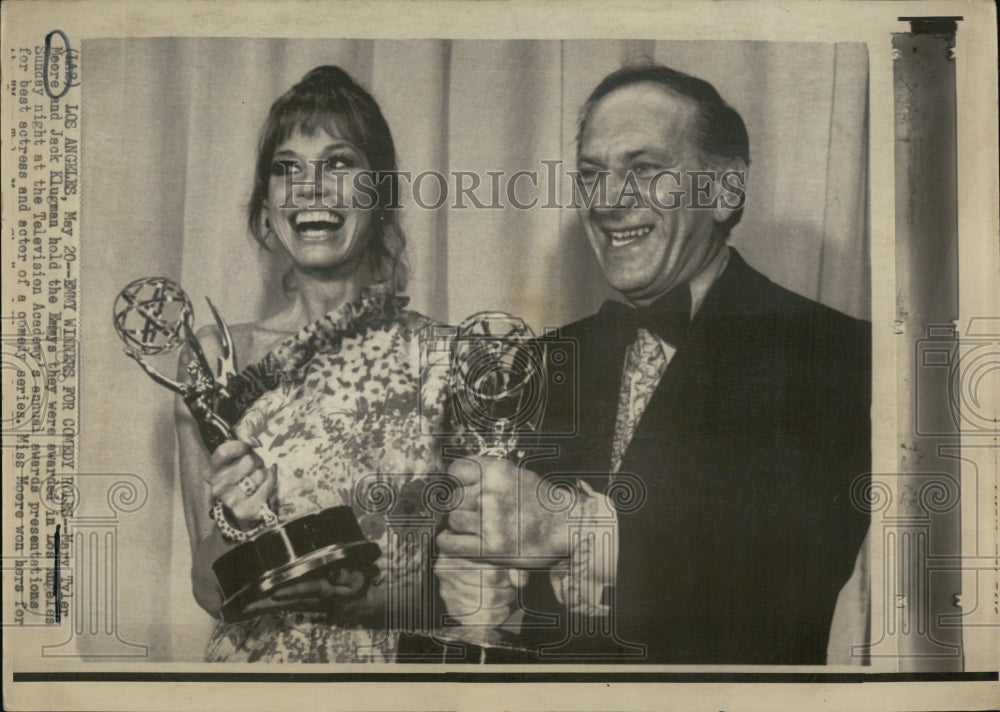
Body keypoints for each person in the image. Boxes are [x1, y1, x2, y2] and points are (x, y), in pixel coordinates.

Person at [435, 63, 871, 665]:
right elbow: (488, 599)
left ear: (725, 191)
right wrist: (471, 576)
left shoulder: (840, 356)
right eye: (593, 175)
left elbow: (791, 583)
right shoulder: (537, 364)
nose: (610, 200)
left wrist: (572, 533)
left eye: (644, 169)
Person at [176, 65, 452, 663]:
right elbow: (208, 586)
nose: (310, 188)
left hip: (397, 679)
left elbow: (488, 587)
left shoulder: (447, 358)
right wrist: (236, 526)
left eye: (339, 163)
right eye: (287, 168)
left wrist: (373, 600)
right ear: (266, 201)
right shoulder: (218, 357)